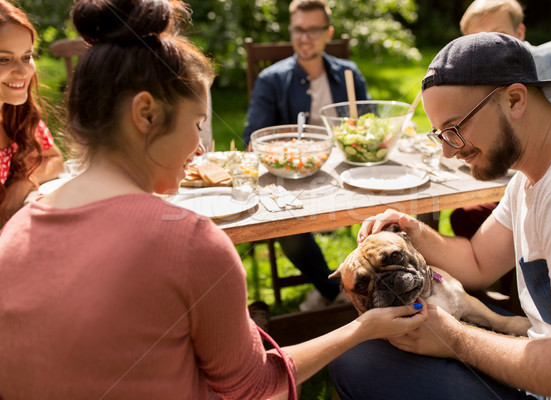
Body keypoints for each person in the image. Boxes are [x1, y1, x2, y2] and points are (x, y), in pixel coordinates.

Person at [0, 0, 427, 398]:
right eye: (198, 124)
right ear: (146, 114)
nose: (201, 149)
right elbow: (254, 387)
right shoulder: (190, 243)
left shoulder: (16, 228)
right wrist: (362, 328)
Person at [328, 32, 551, 399]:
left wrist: (455, 339)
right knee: (357, 355)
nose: (449, 153)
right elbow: (479, 262)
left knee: (354, 364)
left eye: (455, 129)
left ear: (514, 99)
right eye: (440, 135)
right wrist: (411, 231)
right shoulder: (532, 176)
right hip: (549, 363)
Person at [242, 0, 370, 311]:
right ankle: (333, 291)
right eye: (298, 29)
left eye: (313, 30)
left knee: (385, 209)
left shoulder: (348, 74)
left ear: (328, 32)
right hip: (293, 176)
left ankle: (376, 282)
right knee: (289, 231)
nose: (305, 38)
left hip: (346, 173)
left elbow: (368, 127)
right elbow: (252, 139)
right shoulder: (272, 79)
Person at [451, 0, 551, 238]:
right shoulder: (481, 87)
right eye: (477, 43)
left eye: (497, 36)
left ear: (520, 32)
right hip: (513, 185)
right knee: (464, 216)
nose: (488, 50)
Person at [0, 0, 63, 225]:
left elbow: (54, 158)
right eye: (4, 59)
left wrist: (26, 181)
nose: (23, 70)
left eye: (27, 57)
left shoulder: (15, 114)